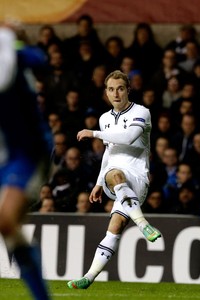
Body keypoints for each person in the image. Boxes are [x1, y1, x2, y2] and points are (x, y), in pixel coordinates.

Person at [67, 70, 161, 289]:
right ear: (106, 92)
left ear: (128, 90)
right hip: (115, 178)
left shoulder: (142, 112)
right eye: (111, 89)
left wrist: (94, 133)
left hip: (138, 178)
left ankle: (89, 277)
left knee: (115, 227)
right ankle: (89, 277)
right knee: (114, 175)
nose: (116, 93)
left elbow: (129, 138)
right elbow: (109, 155)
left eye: (120, 88)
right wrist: (100, 183)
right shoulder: (105, 118)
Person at [0, 26, 51, 299]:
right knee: (9, 229)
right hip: (3, 155)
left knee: (5, 219)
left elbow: (39, 59)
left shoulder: (9, 49)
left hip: (27, 153)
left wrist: (17, 42)